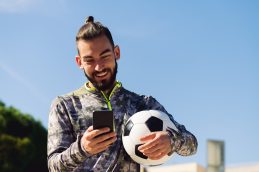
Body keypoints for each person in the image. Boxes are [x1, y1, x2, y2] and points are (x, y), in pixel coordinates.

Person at [47, 16, 198, 172]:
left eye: (105, 56)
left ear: (116, 53)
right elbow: (53, 166)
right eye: (89, 60)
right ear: (79, 62)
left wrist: (172, 141)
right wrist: (82, 148)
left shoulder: (142, 104)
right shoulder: (64, 105)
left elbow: (192, 144)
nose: (99, 67)